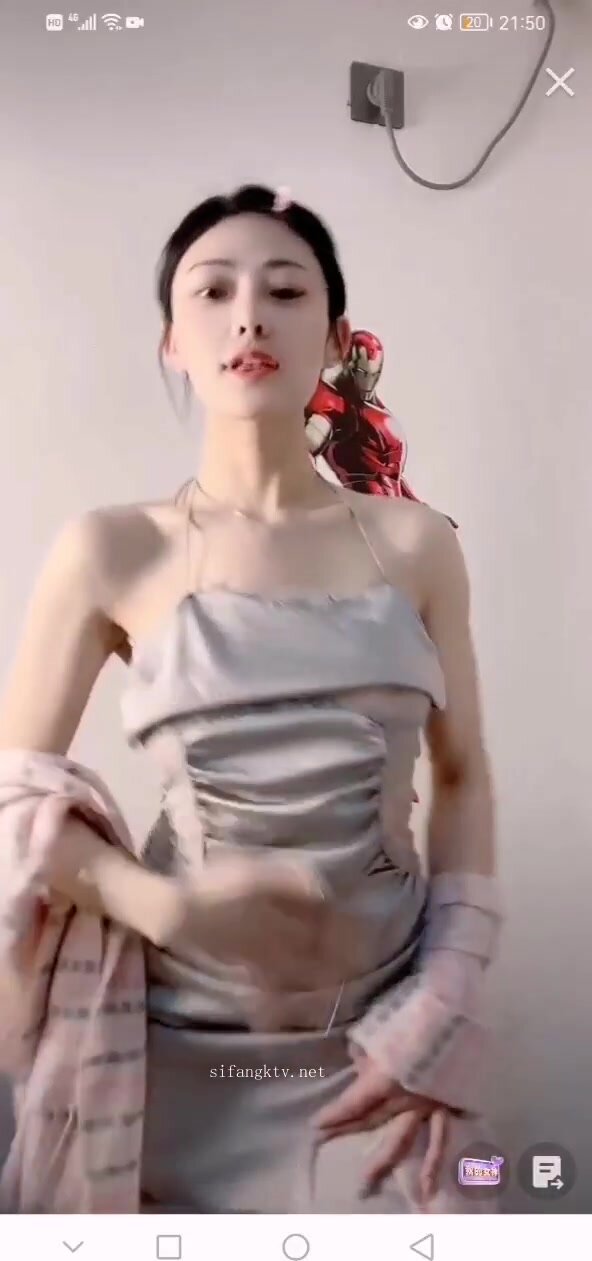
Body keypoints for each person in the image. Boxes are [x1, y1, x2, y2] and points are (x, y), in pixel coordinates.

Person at [0, 183, 500, 1214]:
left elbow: (462, 776)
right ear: (172, 340)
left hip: (384, 1036)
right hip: (168, 1046)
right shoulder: (111, 547)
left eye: (284, 291)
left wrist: (447, 993)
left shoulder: (417, 544)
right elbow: (10, 799)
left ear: (336, 340)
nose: (248, 317)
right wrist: (157, 902)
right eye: (213, 291)